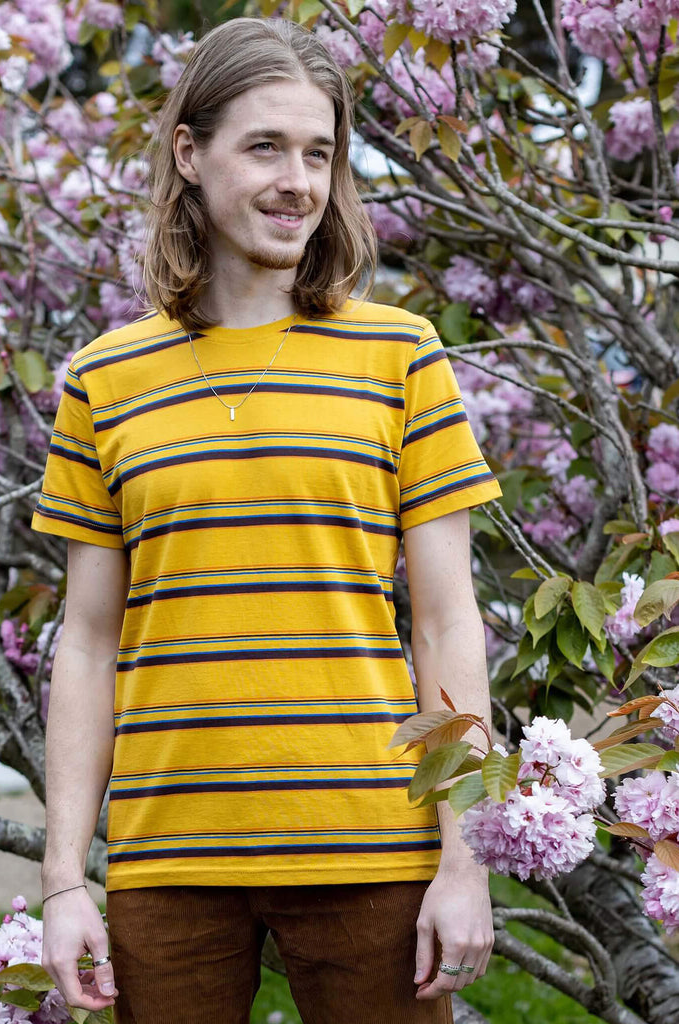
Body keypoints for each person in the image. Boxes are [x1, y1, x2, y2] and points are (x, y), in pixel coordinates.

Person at [32, 16, 501, 1024]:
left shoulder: (402, 356)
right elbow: (86, 637)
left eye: (320, 152)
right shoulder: (104, 379)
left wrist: (465, 854)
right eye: (266, 148)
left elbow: (447, 619)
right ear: (190, 155)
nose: (299, 180)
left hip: (376, 848)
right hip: (167, 860)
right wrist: (65, 878)